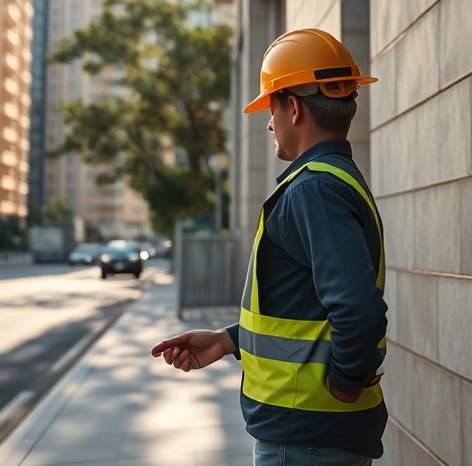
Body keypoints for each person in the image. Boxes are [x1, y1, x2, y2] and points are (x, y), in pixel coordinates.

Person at [151, 28, 389, 465]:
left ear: (293, 108)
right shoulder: (332, 182)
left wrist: (345, 384)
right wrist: (226, 340)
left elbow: (359, 310)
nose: (269, 123)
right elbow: (304, 313)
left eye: (272, 108)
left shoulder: (314, 190)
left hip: (305, 438)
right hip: (311, 436)